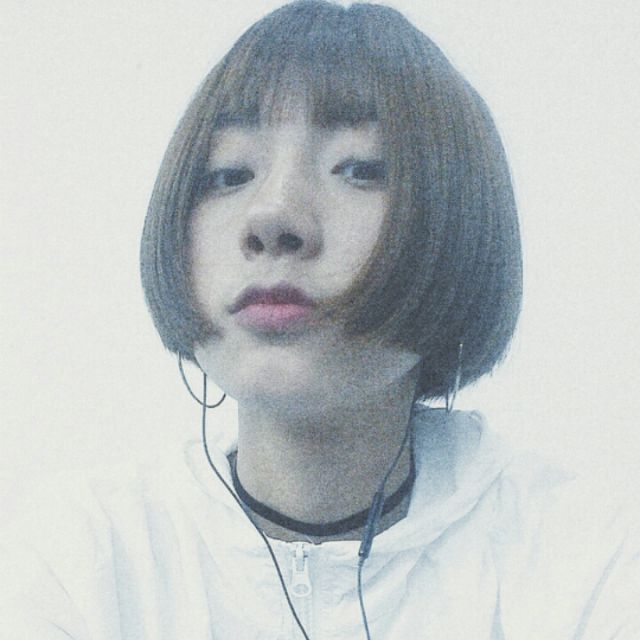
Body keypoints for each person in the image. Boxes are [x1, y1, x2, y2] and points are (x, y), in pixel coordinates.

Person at [1, 1, 637, 638]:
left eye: (360, 170)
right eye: (230, 173)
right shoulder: (85, 560)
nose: (273, 216)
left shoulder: (588, 563)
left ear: (458, 225)